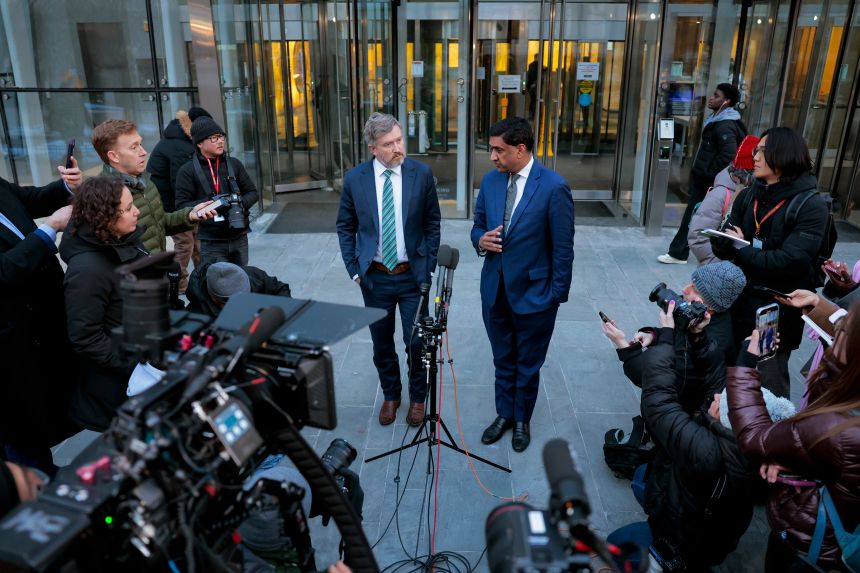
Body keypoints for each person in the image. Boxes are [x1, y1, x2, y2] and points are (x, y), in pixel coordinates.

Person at [606, 301, 790, 572]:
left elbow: (659, 402)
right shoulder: (754, 444)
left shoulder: (706, 449)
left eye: (722, 402)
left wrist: (666, 339)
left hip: (679, 536)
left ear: (728, 421)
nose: (716, 397)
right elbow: (718, 380)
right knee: (643, 475)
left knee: (614, 542)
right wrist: (711, 342)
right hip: (718, 535)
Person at [727, 295, 860, 572]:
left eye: (844, 331)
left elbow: (755, 438)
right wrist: (795, 456)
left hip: (814, 544)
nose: (837, 332)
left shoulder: (836, 428)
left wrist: (745, 365)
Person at [471, 117, 575, 452]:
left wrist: (555, 296)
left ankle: (521, 419)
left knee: (528, 363)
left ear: (520, 148)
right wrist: (479, 240)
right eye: (490, 149)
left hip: (536, 295)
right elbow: (477, 225)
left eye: (498, 150)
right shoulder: (490, 181)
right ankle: (504, 414)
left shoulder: (554, 187)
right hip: (494, 290)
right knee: (502, 358)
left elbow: (563, 248)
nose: (492, 157)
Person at [336, 112, 441, 427]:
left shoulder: (421, 174)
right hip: (375, 277)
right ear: (373, 148)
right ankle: (391, 395)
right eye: (388, 144)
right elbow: (345, 226)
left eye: (399, 140)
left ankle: (418, 397)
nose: (398, 148)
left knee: (416, 342)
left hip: (413, 276)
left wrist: (429, 266)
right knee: (382, 343)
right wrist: (354, 270)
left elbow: (432, 223)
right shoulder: (355, 179)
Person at [711, 127, 829, 398]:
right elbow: (727, 237)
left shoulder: (810, 206)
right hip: (737, 301)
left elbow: (789, 261)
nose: (755, 156)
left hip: (774, 312)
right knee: (727, 374)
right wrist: (722, 241)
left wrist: (741, 247)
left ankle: (771, 426)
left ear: (784, 155)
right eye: (756, 150)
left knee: (767, 384)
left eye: (763, 151)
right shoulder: (749, 194)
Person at [0, 165, 83, 474]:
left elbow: (30, 199)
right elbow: (3, 272)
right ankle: (33, 485)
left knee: (49, 409)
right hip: (12, 337)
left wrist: (67, 187)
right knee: (22, 430)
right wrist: (49, 229)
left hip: (43, 318)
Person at [60, 176, 148, 432]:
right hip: (118, 384)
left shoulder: (124, 237)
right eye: (128, 208)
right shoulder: (86, 271)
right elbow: (85, 337)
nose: (137, 211)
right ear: (105, 218)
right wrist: (136, 365)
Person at [602, 261, 747, 400]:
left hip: (680, 407)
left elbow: (652, 379)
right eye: (691, 282)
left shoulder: (711, 344)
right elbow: (678, 336)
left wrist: (622, 344)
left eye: (695, 289)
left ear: (710, 306)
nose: (684, 289)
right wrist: (653, 335)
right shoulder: (700, 316)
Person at [92, 119, 215, 256]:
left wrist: (190, 215)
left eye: (140, 144)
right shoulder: (102, 195)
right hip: (138, 269)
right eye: (134, 147)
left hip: (156, 265)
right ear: (114, 156)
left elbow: (158, 224)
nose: (143, 152)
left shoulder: (145, 181)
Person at [659, 83, 747, 264]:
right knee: (700, 215)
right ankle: (687, 251)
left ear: (726, 101)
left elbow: (728, 155)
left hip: (708, 180)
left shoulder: (724, 125)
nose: (711, 98)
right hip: (707, 179)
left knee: (693, 214)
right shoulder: (716, 120)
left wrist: (708, 173)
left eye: (716, 95)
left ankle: (678, 253)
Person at [174, 116, 259, 266]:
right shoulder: (187, 170)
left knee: (241, 277)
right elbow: (181, 205)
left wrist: (238, 204)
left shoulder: (234, 164)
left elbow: (253, 193)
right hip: (211, 240)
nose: (220, 141)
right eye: (214, 138)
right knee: (216, 279)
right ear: (199, 143)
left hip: (239, 235)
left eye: (221, 136)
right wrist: (213, 204)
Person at [147, 106, 212, 293]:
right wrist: (189, 208)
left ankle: (202, 279)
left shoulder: (183, 139)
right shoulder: (180, 146)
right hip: (174, 204)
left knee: (198, 242)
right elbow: (180, 183)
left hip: (181, 202)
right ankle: (179, 284)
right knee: (185, 245)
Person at [688, 134, 760, 265]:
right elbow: (697, 235)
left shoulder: (749, 193)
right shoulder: (721, 193)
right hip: (718, 268)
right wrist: (718, 263)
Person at [186, 261, 292, 317]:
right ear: (214, 299)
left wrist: (280, 314)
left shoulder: (253, 275)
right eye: (235, 303)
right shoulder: (196, 314)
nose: (242, 304)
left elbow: (279, 289)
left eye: (246, 297)